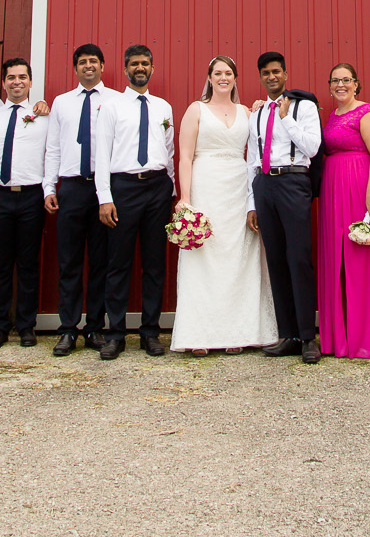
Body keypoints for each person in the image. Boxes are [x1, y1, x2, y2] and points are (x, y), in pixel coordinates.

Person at [170, 56, 277, 354]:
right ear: (209, 77)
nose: (223, 77)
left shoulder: (246, 111)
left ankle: (236, 333)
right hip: (206, 186)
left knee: (238, 258)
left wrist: (260, 107)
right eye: (217, 73)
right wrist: (186, 198)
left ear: (235, 78)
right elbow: (186, 157)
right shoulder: (196, 110)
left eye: (228, 73)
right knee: (206, 258)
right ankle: (200, 336)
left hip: (238, 187)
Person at [95, 44, 176, 359]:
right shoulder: (112, 106)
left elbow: (168, 152)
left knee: (155, 264)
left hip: (157, 188)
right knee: (119, 264)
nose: (139, 68)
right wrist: (105, 197)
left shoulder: (163, 108)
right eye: (134, 64)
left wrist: (170, 190)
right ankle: (115, 334)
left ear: (152, 68)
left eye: (145, 63)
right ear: (126, 68)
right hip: (124, 188)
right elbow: (102, 154)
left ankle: (150, 333)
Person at [315, 63, 370, 359]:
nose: (341, 85)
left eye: (346, 80)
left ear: (356, 84)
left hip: (360, 186)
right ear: (329, 86)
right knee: (338, 257)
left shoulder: (367, 112)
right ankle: (343, 334)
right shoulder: (332, 117)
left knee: (362, 256)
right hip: (334, 188)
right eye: (335, 80)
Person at [247, 51, 323, 364]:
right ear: (261, 76)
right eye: (265, 73)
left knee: (299, 258)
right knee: (276, 261)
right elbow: (253, 157)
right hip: (265, 185)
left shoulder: (304, 106)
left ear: (286, 74)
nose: (271, 77)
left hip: (293, 181)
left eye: (276, 71)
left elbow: (312, 146)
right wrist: (252, 201)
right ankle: (288, 334)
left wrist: (285, 118)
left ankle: (308, 336)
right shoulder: (257, 112)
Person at [44, 44, 118, 356]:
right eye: (82, 62)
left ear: (102, 65)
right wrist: (49, 187)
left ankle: (94, 328)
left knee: (101, 261)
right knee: (70, 261)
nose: (88, 66)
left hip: (104, 191)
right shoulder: (61, 103)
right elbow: (53, 148)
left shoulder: (116, 100)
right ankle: (68, 329)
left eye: (93, 61)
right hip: (72, 189)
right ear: (75, 68)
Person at [0, 57, 48, 349]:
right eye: (11, 77)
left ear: (30, 82)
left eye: (22, 77)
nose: (17, 82)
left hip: (31, 196)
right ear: (3, 83)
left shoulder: (43, 116)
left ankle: (26, 327)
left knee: (28, 264)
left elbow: (52, 155)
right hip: (0, 196)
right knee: (0, 264)